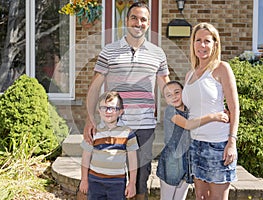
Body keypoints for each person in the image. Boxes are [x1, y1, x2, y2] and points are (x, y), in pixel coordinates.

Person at [83, 2, 170, 199]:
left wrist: (183, 107)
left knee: (140, 179)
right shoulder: (109, 51)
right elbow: (95, 86)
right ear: (126, 21)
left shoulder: (158, 54)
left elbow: (166, 87)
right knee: (112, 176)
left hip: (144, 126)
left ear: (148, 24)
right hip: (114, 124)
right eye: (134, 18)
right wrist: (90, 119)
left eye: (143, 19)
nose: (138, 23)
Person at [182, 22, 240, 200]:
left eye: (207, 41)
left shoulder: (221, 68)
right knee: (200, 196)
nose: (202, 45)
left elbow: (234, 107)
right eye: (198, 40)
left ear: (215, 44)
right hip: (195, 144)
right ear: (192, 44)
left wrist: (232, 142)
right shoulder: (190, 74)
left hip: (218, 145)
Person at [156, 81, 230, 200]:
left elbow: (202, 114)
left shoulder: (191, 111)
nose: (174, 96)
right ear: (165, 99)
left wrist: (222, 112)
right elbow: (188, 124)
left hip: (188, 161)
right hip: (172, 163)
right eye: (169, 95)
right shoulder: (170, 111)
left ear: (184, 93)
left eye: (177, 92)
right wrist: (213, 116)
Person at [79, 91, 139, 199]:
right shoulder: (93, 131)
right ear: (99, 110)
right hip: (95, 181)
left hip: (117, 182)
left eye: (113, 108)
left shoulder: (128, 133)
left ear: (120, 111)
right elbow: (86, 157)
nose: (108, 111)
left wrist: (132, 183)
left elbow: (133, 160)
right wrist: (84, 179)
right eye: (104, 107)